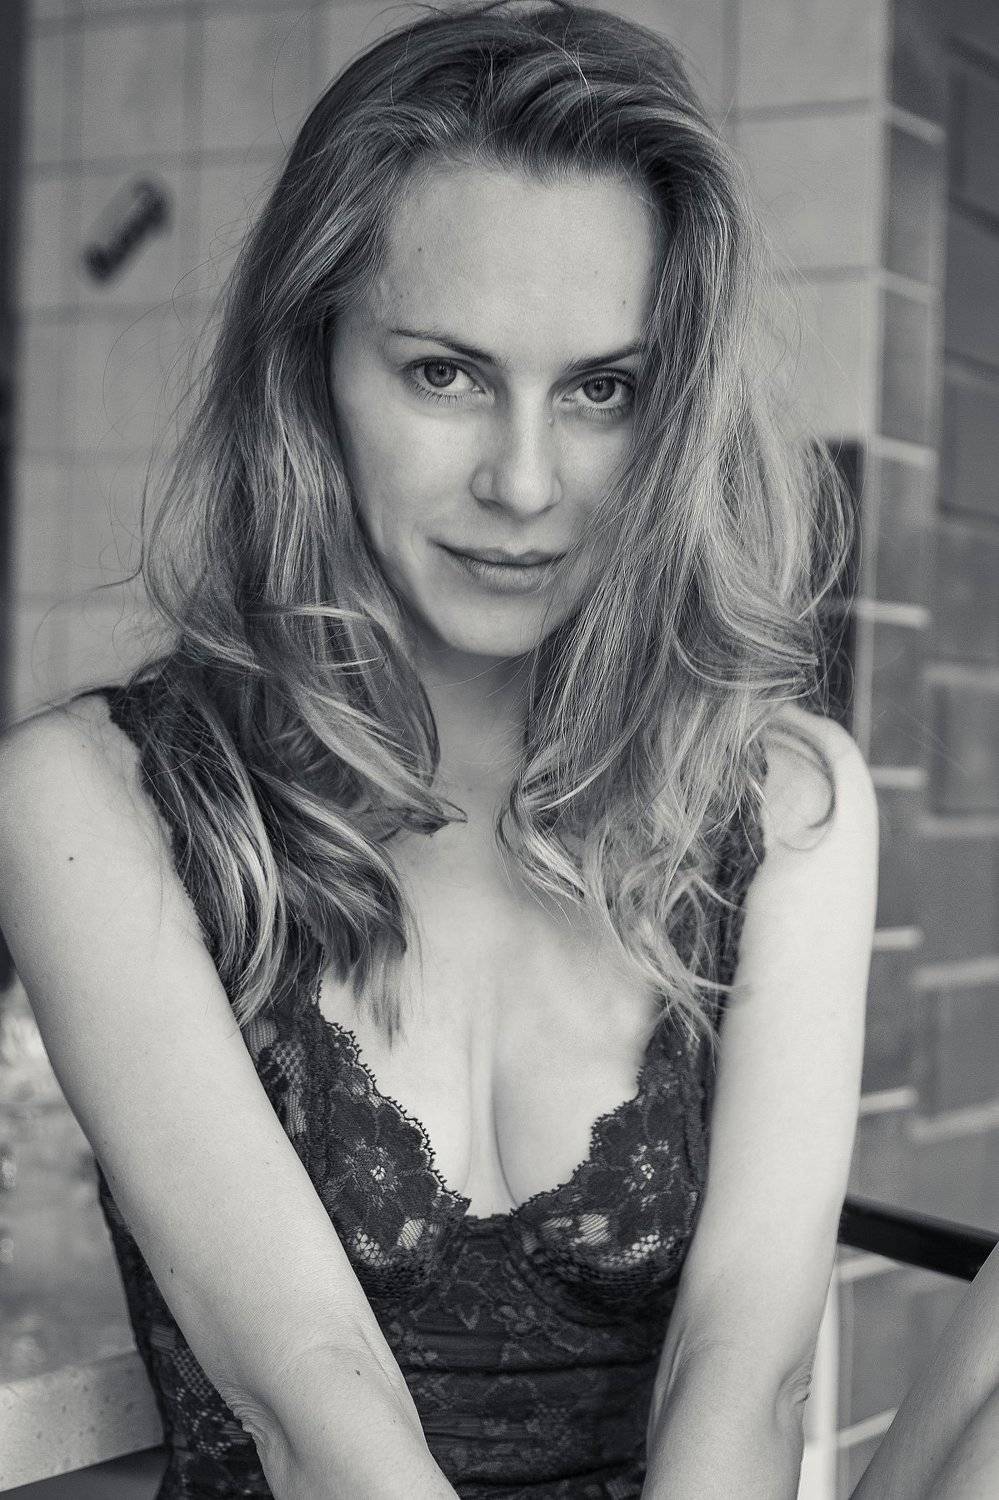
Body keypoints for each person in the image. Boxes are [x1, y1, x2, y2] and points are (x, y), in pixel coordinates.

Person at [3, 1, 983, 1496]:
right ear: (313, 365)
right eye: (445, 374)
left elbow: (747, 1364)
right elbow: (308, 1394)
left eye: (602, 390)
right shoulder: (92, 804)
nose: (525, 484)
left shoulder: (783, 805)